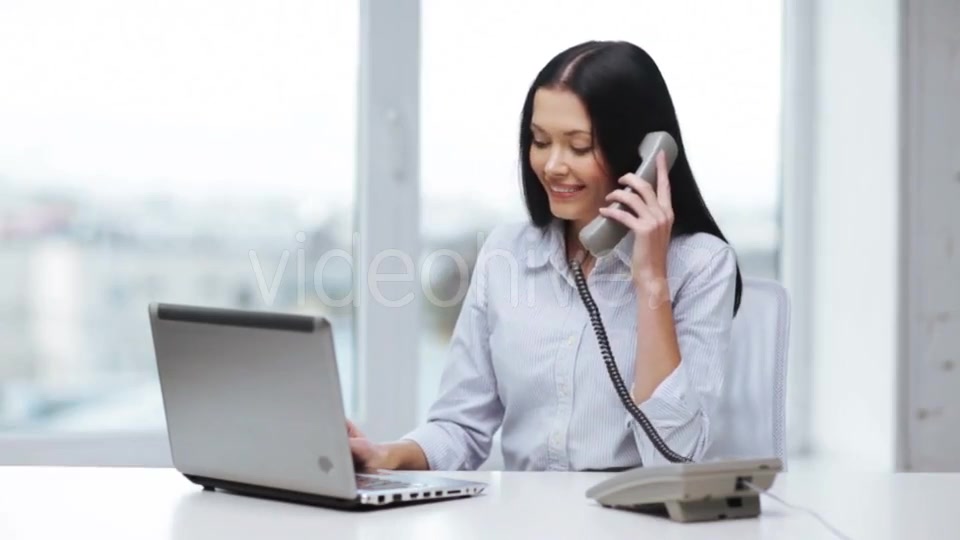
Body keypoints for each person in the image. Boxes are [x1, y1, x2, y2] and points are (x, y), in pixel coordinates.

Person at [347, 40, 743, 472]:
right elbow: (460, 427)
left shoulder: (702, 264)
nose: (552, 165)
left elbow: (674, 459)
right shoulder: (506, 253)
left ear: (642, 154)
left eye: (578, 146)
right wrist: (385, 455)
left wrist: (651, 282)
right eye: (539, 141)